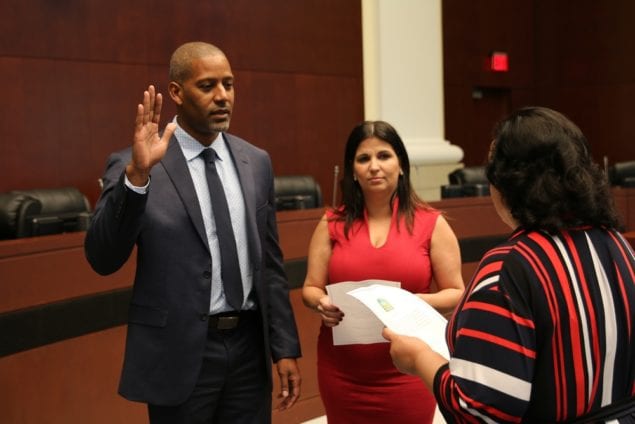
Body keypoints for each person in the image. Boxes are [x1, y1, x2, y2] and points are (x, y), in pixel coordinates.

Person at [85, 41, 302, 423]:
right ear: (176, 93)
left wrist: (284, 348)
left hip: (249, 349)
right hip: (180, 353)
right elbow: (102, 257)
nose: (222, 97)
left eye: (229, 84)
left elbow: (269, 264)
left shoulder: (256, 162)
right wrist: (137, 178)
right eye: (207, 86)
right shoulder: (135, 163)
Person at [384, 106, 635, 423]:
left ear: (506, 183)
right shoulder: (616, 244)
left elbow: (480, 411)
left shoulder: (510, 266)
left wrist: (421, 359)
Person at [301, 120, 465, 423]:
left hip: (409, 371)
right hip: (341, 372)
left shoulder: (431, 223)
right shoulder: (331, 223)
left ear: (401, 165)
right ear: (352, 170)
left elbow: (457, 293)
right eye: (363, 159)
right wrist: (321, 303)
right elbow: (310, 288)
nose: (374, 166)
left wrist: (411, 303)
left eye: (384, 156)